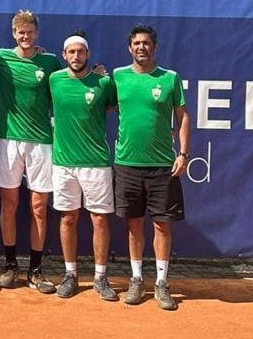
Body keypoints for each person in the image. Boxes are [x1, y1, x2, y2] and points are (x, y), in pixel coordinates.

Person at [112, 24, 190, 310]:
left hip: (162, 167)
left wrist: (183, 153)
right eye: (136, 43)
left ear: (154, 47)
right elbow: (97, 103)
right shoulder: (117, 77)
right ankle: (136, 279)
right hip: (127, 164)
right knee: (133, 226)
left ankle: (161, 283)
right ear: (129, 48)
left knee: (161, 226)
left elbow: (182, 117)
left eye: (146, 43)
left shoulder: (170, 78)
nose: (141, 47)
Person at [0, 10, 61, 292]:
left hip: (41, 142)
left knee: (39, 208)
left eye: (30, 32)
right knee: (9, 205)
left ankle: (35, 270)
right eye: (21, 32)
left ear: (37, 34)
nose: (25, 36)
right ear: (13, 34)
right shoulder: (0, 59)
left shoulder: (50, 61)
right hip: (9, 140)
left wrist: (96, 73)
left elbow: (72, 81)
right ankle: (10, 266)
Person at [49, 33, 118, 301]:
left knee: (99, 219)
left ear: (87, 54)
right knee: (68, 218)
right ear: (64, 55)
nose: (76, 56)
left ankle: (100, 277)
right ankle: (70, 274)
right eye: (71, 52)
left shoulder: (103, 82)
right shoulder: (54, 79)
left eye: (80, 52)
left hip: (96, 163)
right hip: (64, 163)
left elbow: (114, 105)